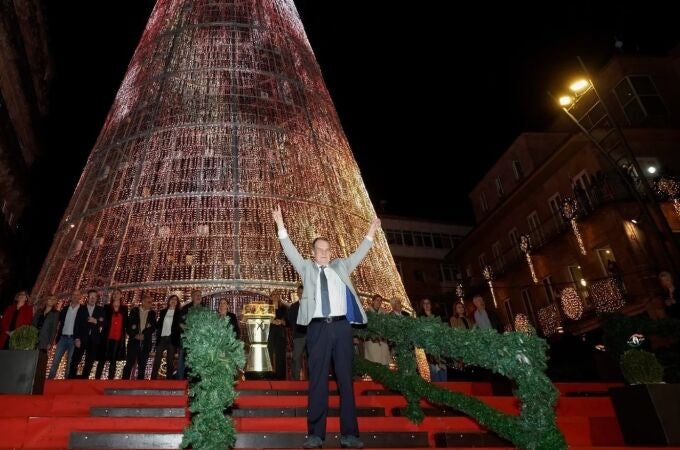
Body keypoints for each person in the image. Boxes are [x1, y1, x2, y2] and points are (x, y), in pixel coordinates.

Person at [272, 204, 380, 449]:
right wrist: (281, 226)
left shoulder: (341, 266)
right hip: (317, 329)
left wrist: (371, 231)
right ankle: (315, 434)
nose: (323, 253)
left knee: (345, 380)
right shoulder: (307, 268)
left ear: (331, 252)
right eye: (319, 250)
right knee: (318, 381)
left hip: (342, 329)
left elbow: (360, 253)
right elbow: (290, 252)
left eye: (327, 249)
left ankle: (350, 434)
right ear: (313, 253)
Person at [70, 289, 106, 378]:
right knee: (75, 360)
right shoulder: (81, 308)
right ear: (88, 298)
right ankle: (70, 379)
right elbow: (76, 324)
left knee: (89, 362)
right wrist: (77, 338)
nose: (92, 298)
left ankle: (84, 381)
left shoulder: (100, 309)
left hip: (93, 340)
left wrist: (96, 321)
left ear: (97, 298)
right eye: (91, 296)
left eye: (94, 297)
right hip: (81, 339)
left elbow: (105, 323)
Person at [49, 290, 83, 379]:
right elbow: (58, 322)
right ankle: (49, 381)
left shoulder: (83, 309)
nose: (75, 296)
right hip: (62, 338)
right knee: (55, 361)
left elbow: (84, 326)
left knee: (70, 363)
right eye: (74, 294)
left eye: (77, 295)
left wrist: (79, 338)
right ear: (71, 296)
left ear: (80, 297)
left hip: (74, 339)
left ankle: (66, 384)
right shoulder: (64, 309)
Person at [96, 289, 128, 379]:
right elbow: (102, 318)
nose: (115, 295)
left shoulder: (124, 308)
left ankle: (111, 380)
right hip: (107, 335)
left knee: (113, 359)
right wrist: (100, 320)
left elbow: (125, 322)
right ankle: (96, 379)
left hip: (118, 336)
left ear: (121, 295)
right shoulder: (106, 307)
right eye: (114, 293)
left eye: (117, 293)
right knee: (102, 358)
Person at [123, 295, 156, 379]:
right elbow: (128, 325)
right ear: (143, 302)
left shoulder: (152, 313)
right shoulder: (134, 311)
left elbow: (153, 327)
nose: (151, 304)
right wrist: (135, 335)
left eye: (151, 302)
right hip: (133, 342)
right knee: (129, 364)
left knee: (142, 365)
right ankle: (123, 383)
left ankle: (139, 385)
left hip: (145, 343)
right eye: (149, 302)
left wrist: (144, 335)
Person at [151, 294, 182, 379]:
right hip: (162, 338)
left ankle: (169, 381)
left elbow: (179, 326)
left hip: (172, 339)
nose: (173, 301)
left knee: (170, 361)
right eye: (172, 299)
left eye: (175, 300)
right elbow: (159, 324)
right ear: (169, 301)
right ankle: (152, 379)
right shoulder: (163, 312)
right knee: (157, 359)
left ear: (177, 303)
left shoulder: (179, 313)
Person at [419, 298, 447, 382]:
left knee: (443, 369)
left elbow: (443, 330)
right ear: (422, 306)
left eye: (428, 303)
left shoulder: (437, 316)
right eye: (424, 303)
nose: (427, 305)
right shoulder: (421, 318)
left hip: (440, 346)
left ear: (431, 305)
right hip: (429, 347)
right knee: (434, 371)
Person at [177, 289, 202, 379]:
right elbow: (179, 322)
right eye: (197, 295)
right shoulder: (185, 308)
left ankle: (195, 379)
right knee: (182, 358)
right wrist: (187, 330)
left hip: (199, 339)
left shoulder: (203, 309)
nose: (199, 297)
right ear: (192, 297)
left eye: (200, 295)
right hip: (186, 338)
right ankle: (180, 380)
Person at [363, 294, 391, 366]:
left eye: (380, 301)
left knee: (384, 360)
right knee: (373, 360)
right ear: (373, 301)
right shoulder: (367, 312)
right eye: (377, 300)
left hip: (382, 339)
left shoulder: (384, 312)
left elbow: (387, 325)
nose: (379, 302)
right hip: (372, 340)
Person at [287, 285, 307, 380]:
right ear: (297, 294)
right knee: (296, 358)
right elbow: (289, 320)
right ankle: (295, 380)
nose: (301, 295)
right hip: (299, 336)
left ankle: (312, 380)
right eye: (299, 293)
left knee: (312, 358)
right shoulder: (293, 306)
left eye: (303, 293)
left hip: (311, 335)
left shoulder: (312, 305)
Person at [268, 292, 288, 380]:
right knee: (269, 353)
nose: (275, 297)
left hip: (280, 333)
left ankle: (280, 376)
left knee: (280, 354)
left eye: (277, 295)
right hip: (270, 333)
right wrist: (271, 321)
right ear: (271, 297)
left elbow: (287, 320)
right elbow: (265, 319)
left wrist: (281, 321)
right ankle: (269, 374)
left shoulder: (284, 308)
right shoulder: (267, 308)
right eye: (274, 295)